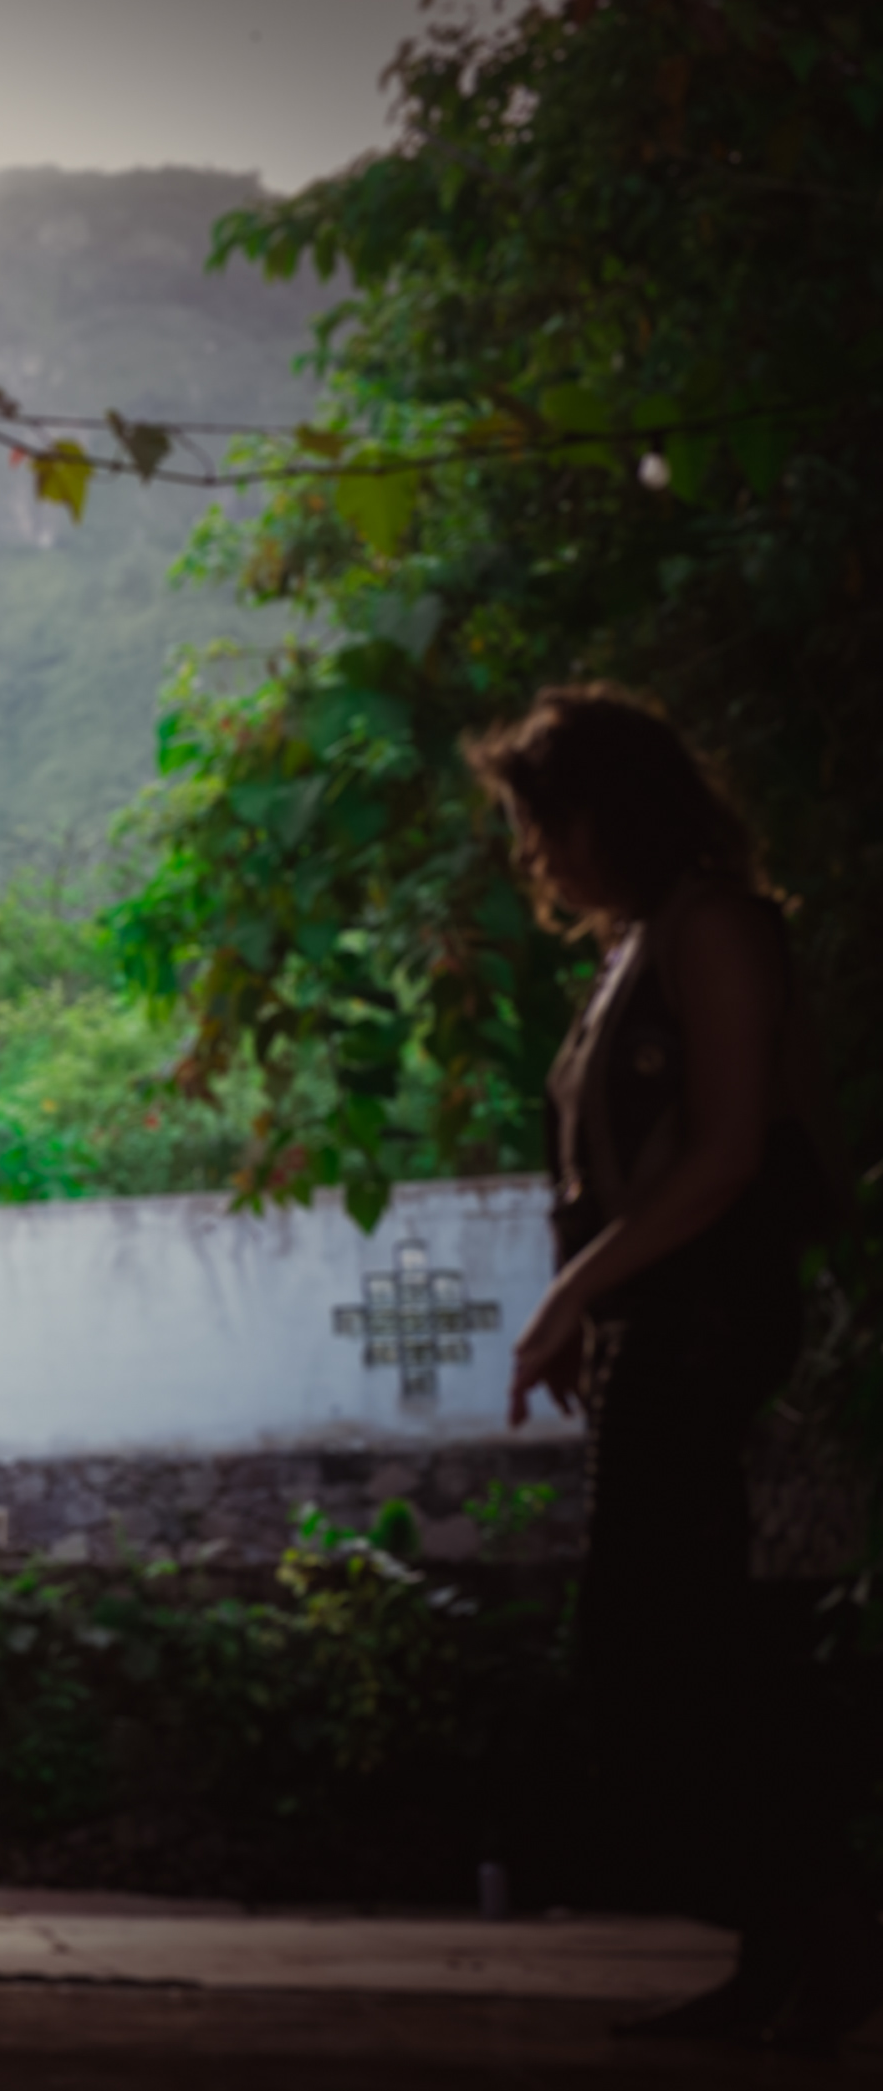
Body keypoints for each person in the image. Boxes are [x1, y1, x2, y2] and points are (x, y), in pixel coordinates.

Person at [471, 685, 868, 2056]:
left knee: (667, 1648)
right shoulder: (644, 941)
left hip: (708, 1315)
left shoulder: (716, 928)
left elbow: (727, 1155)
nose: (541, 860)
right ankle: (791, 1950)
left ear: (608, 811)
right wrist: (589, 1302)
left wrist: (569, 1296)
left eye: (546, 825)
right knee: (666, 1647)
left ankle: (819, 1924)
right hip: (664, 1318)